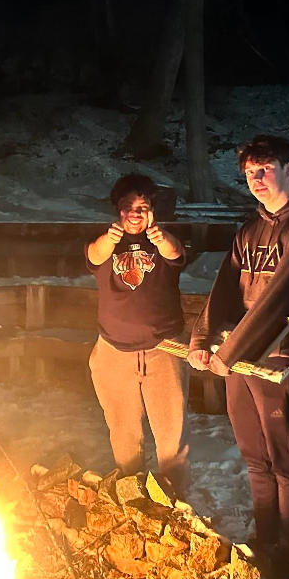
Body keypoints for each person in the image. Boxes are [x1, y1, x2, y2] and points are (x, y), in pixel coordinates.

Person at [188, 135, 289, 579]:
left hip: (279, 358)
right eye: (250, 172)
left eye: (265, 169)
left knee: (284, 459)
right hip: (240, 359)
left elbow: (279, 298)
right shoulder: (250, 229)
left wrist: (230, 353)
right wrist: (203, 337)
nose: (257, 179)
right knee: (254, 457)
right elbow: (225, 286)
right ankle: (264, 539)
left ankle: (287, 554)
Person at [85, 174, 191, 490]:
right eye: (127, 206)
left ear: (152, 211)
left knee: (171, 432)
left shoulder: (163, 241)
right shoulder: (105, 242)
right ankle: (132, 494)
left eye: (142, 207)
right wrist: (111, 238)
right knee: (124, 432)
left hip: (164, 348)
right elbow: (94, 256)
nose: (134, 213)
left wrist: (161, 238)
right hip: (113, 350)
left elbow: (175, 254)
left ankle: (175, 496)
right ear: (117, 209)